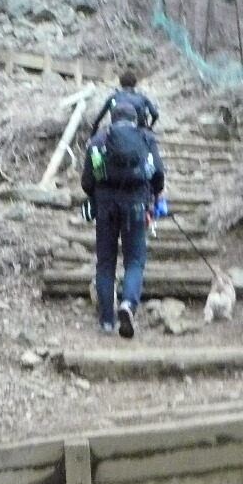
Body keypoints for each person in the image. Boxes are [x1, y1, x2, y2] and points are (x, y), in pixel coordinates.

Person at [81, 102, 165, 339]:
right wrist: (154, 195)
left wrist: (97, 194)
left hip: (106, 208)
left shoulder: (98, 140)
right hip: (136, 206)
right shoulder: (146, 138)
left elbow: (87, 181)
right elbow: (158, 175)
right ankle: (128, 303)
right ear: (135, 118)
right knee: (135, 261)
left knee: (105, 263)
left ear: (112, 118)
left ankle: (107, 321)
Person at [89, 69, 159, 136]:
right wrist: (150, 127)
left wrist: (93, 135)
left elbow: (98, 119)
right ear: (135, 84)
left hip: (117, 131)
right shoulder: (142, 98)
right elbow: (155, 114)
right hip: (139, 131)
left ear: (120, 83)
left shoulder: (114, 98)